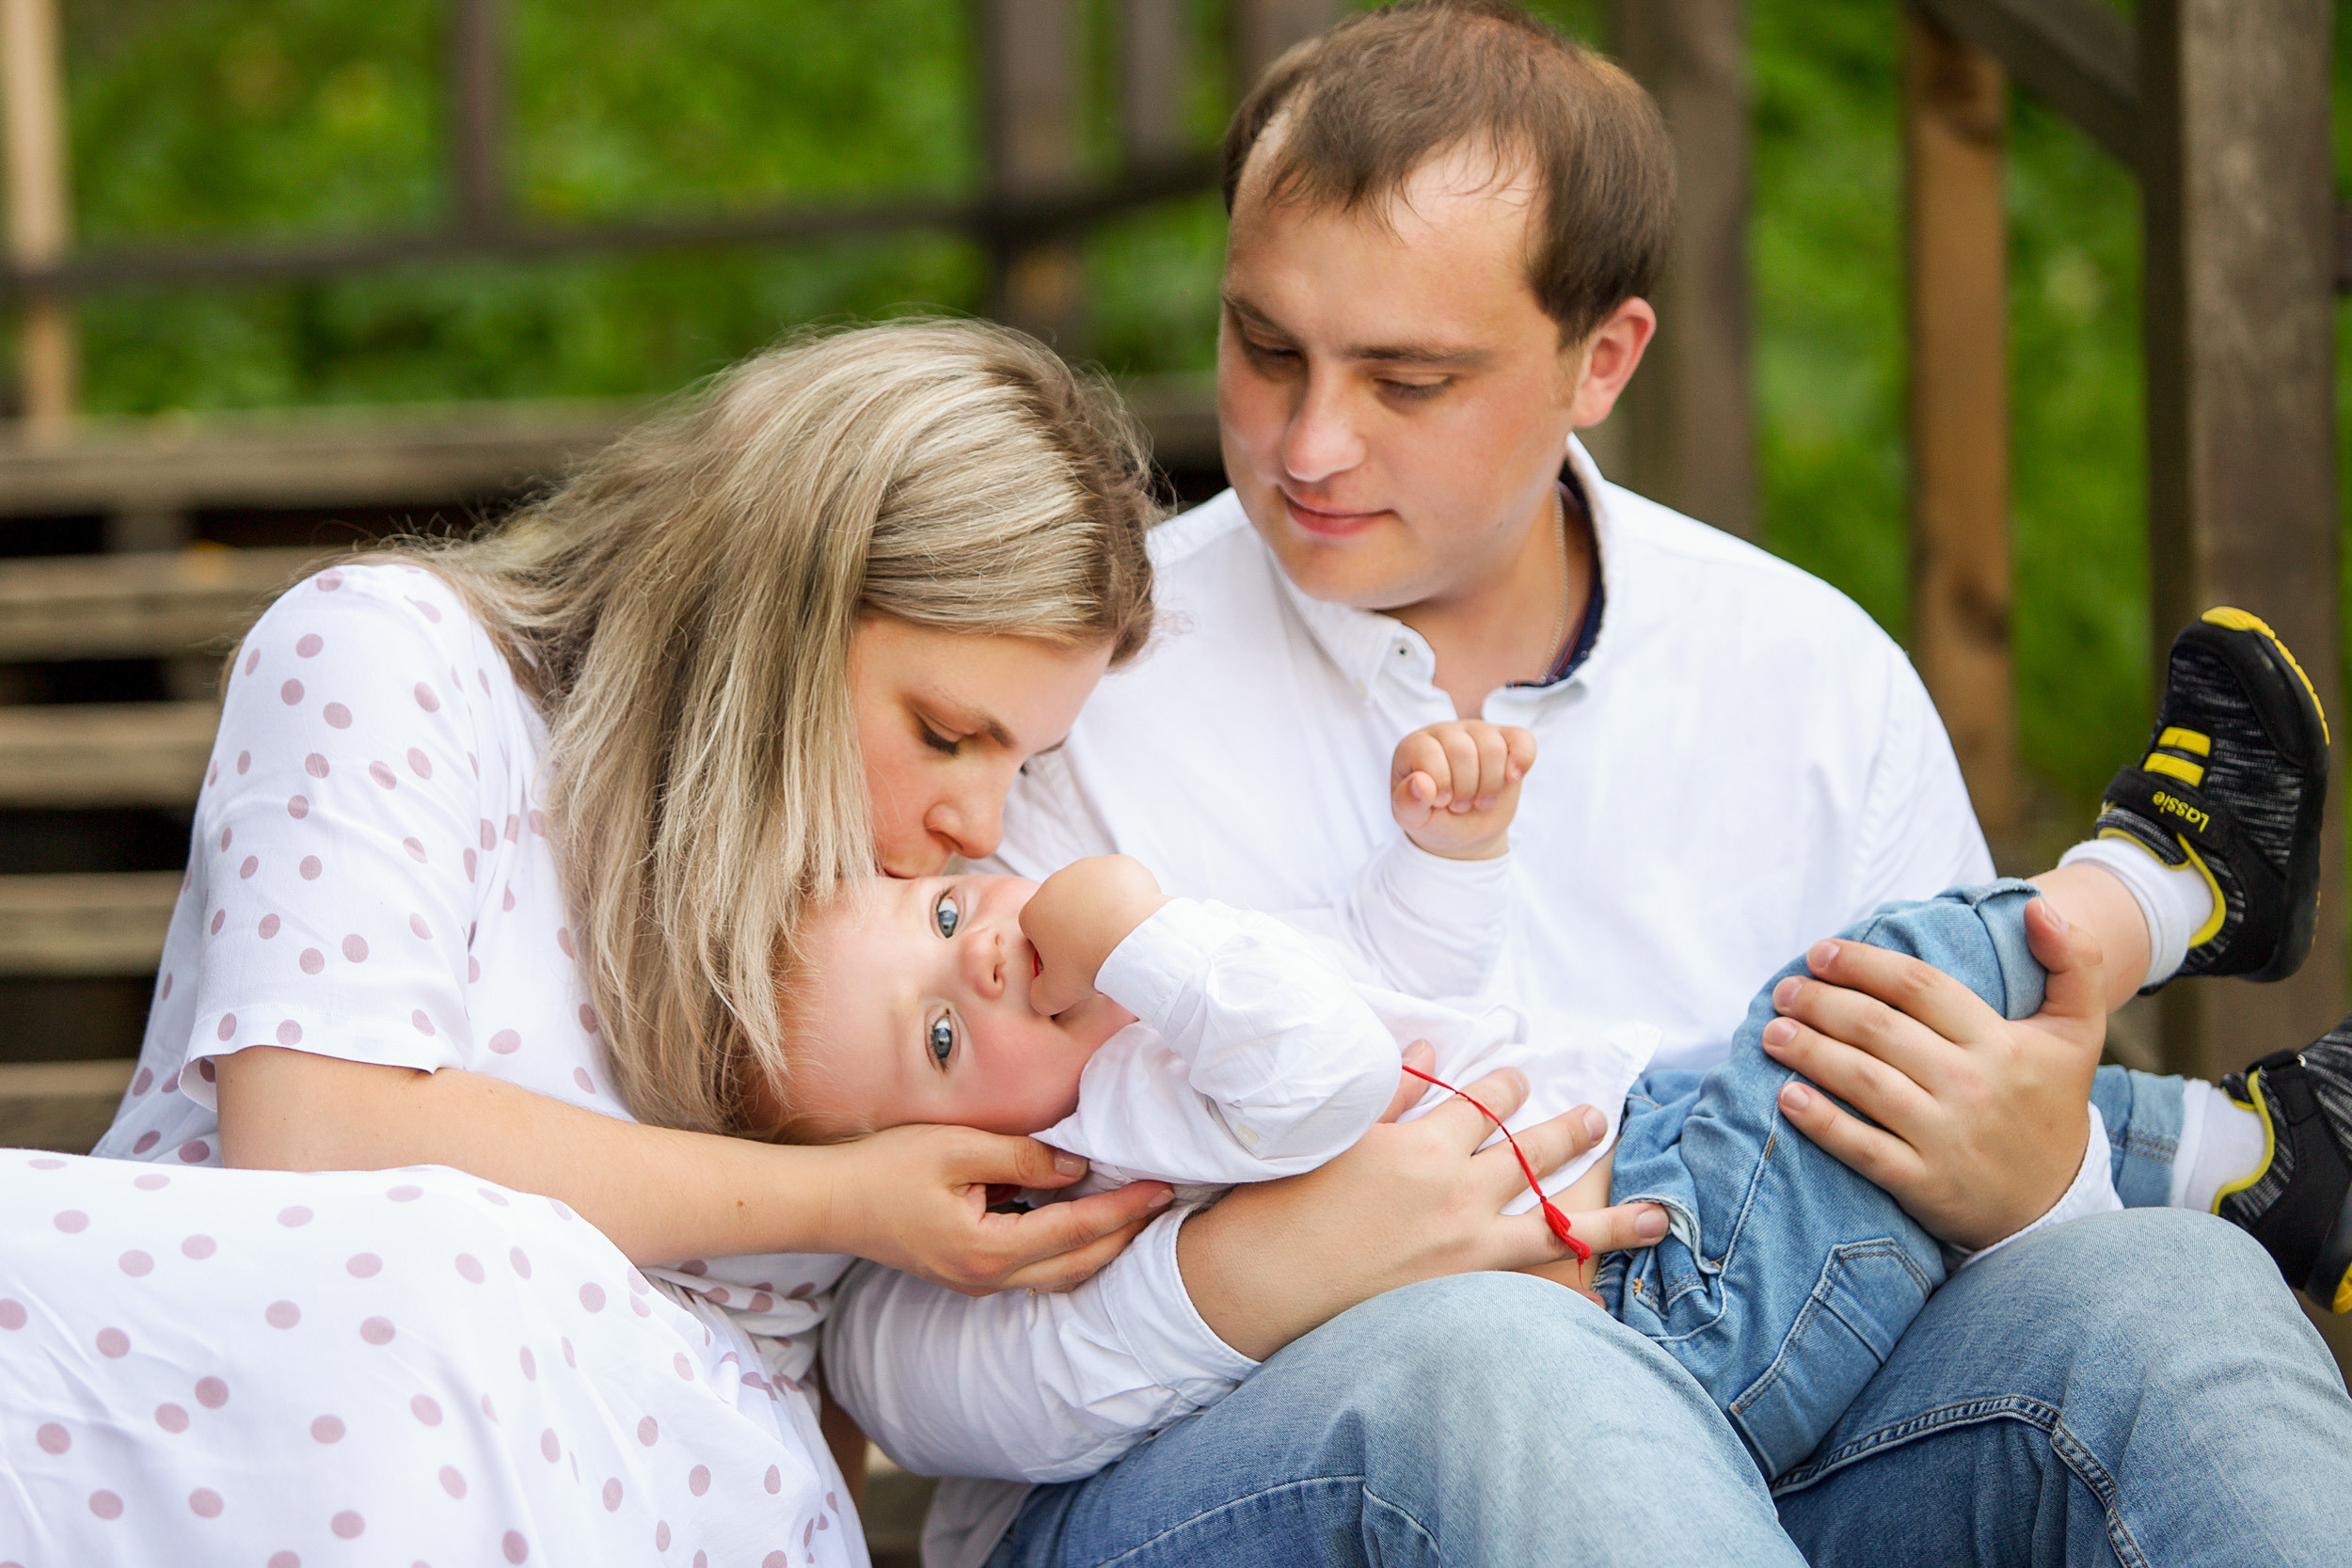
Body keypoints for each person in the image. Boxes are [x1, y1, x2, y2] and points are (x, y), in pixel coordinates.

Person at [826, 6, 2352, 1565]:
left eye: (1408, 381)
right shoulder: (1063, 695)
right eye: (1265, 346)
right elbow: (886, 1346)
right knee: (1503, 1367)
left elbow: (1921, 1256)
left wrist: (2047, 1183)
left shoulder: (1807, 680)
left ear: (1602, 359)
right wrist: (1261, 1273)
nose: (1305, 442)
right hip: (1211, 1494)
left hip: (1753, 1468)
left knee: (2178, 1296)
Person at [0, 320, 1186, 1565]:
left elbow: (797, 1375)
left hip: (671, 1507)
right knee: (436, 1280)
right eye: (946, 733)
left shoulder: (901, 911)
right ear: (770, 626)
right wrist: (843, 1199)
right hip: (291, 1445)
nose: (979, 823)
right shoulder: (394, 659)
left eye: (1024, 759)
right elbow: (315, 1139)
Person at [800, 610, 2340, 1485]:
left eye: (943, 915)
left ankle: (2254, 1165)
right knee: (1876, 992)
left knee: (1905, 1085)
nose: (983, 955)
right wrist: (1126, 923)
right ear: (955, 1147)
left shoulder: (1151, 1031)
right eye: (943, 1036)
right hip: (1672, 1294)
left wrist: (1441, 858)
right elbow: (1327, 1074)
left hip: (1661, 1212)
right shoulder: (1135, 1104)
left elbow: (1407, 990)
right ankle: (2168, 881)